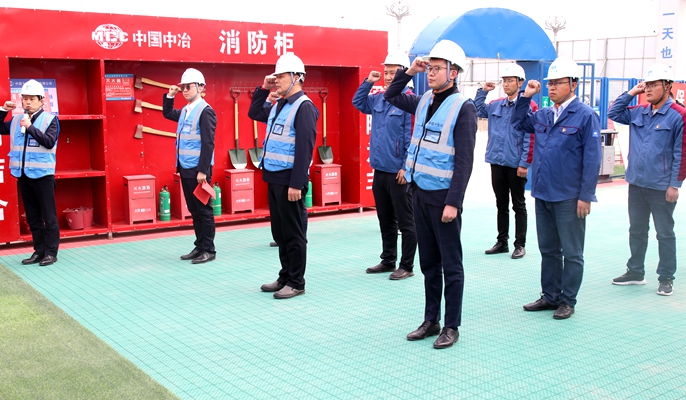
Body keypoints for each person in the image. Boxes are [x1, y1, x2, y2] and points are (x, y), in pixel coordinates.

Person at [385, 40, 478, 349]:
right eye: (430, 67)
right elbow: (391, 95)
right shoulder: (424, 99)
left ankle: (451, 325)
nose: (432, 73)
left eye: (438, 68)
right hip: (420, 193)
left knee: (451, 265)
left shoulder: (463, 108)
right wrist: (410, 71)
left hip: (443, 200)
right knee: (428, 264)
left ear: (453, 72)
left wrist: (454, 202)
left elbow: (464, 161)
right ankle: (431, 320)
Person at [511, 57, 602, 319]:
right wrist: (526, 96)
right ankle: (550, 296)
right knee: (548, 249)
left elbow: (592, 158)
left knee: (572, 252)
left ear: (573, 84)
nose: (551, 87)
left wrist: (586, 195)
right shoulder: (544, 114)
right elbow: (518, 122)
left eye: (558, 83)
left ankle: (568, 300)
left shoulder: (585, 115)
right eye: (550, 83)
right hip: (543, 192)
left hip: (569, 196)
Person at [608, 62, 684, 296]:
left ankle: (666, 277)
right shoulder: (639, 111)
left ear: (668, 86)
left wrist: (675, 185)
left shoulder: (679, 115)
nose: (648, 89)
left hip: (661, 186)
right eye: (646, 84)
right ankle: (635, 272)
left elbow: (682, 153)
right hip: (637, 183)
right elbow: (613, 113)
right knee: (637, 230)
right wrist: (632, 92)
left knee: (665, 232)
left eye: (654, 85)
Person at [248, 53, 318, 299]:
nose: (276, 80)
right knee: (280, 233)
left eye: (281, 76)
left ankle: (297, 282)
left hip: (290, 181)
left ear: (296, 77)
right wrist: (263, 88)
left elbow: (304, 149)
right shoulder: (279, 105)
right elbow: (254, 112)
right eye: (275, 76)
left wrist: (297, 183)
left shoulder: (304, 107)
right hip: (274, 178)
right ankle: (285, 276)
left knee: (294, 233)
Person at [352, 52, 417, 280]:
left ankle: (406, 265)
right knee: (386, 219)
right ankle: (388, 259)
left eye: (393, 73)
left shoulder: (409, 101)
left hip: (399, 172)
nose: (388, 77)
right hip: (380, 169)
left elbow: (412, 136)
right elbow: (358, 102)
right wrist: (368, 81)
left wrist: (407, 167)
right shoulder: (378, 98)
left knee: (406, 221)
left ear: (405, 74)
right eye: (386, 72)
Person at [474, 64, 537, 259]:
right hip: (497, 161)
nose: (506, 84)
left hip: (516, 164)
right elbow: (477, 110)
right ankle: (502, 242)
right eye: (504, 81)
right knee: (501, 203)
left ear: (520, 83)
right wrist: (483, 91)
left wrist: (524, 163)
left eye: (510, 81)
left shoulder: (528, 106)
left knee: (518, 205)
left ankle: (520, 244)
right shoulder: (496, 105)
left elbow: (530, 137)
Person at [0, 80, 60, 266]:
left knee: (48, 217)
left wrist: (30, 127)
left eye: (32, 99)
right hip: (23, 175)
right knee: (33, 217)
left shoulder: (50, 120)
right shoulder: (16, 120)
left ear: (41, 100)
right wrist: (3, 110)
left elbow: (48, 142)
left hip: (43, 176)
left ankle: (51, 253)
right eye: (24, 98)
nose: (27, 102)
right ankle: (39, 251)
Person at [163, 68, 217, 264]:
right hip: (185, 167)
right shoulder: (186, 111)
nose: (185, 90)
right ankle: (199, 245)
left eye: (189, 86)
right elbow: (168, 113)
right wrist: (170, 95)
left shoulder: (206, 111)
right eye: (183, 87)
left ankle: (209, 249)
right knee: (194, 210)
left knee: (204, 210)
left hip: (198, 171)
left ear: (201, 88)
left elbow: (208, 143)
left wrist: (203, 170)